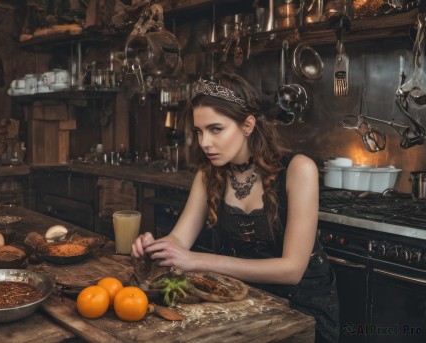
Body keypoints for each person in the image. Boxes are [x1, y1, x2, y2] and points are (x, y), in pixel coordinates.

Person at [131, 71, 340, 343]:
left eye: (215, 129)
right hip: (239, 301)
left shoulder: (299, 170)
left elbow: (292, 270)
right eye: (199, 131)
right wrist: (155, 247)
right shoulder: (208, 176)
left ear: (247, 125)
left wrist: (196, 260)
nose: (204, 142)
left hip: (301, 309)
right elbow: (179, 240)